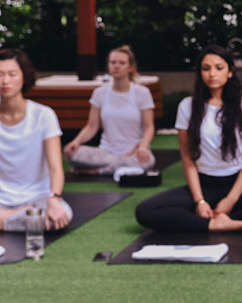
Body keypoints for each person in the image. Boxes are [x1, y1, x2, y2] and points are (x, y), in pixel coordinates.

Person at [135, 45, 242, 233]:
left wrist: (231, 200)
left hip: (237, 184)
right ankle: (211, 224)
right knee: (145, 211)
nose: (212, 74)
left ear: (230, 72)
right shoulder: (187, 106)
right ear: (200, 73)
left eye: (219, 67)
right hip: (203, 184)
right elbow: (187, 158)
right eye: (206, 68)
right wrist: (199, 201)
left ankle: (227, 219)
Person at [0, 48, 72, 231]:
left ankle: (12, 220)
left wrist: (54, 199)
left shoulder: (43, 115)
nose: (5, 81)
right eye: (0, 74)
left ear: (24, 76)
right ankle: (22, 216)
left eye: (12, 74)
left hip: (38, 198)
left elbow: (56, 168)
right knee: (38, 219)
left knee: (60, 215)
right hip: (2, 201)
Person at [63, 45, 155, 175]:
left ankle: (96, 171)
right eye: (113, 62)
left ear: (130, 68)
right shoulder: (100, 93)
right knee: (73, 154)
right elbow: (91, 126)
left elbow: (149, 127)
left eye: (121, 63)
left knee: (147, 161)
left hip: (134, 151)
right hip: (106, 152)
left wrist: (143, 147)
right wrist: (76, 142)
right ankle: (117, 166)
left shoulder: (142, 93)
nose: (116, 66)